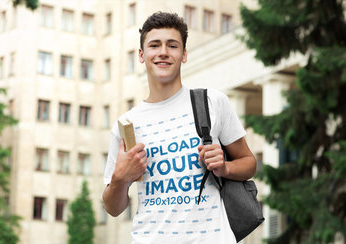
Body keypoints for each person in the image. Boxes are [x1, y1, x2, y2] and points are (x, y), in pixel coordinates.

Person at [102, 12, 256, 244]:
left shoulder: (212, 102)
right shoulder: (126, 125)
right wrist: (120, 179)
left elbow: (249, 163)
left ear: (183, 54)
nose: (163, 52)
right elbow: (113, 209)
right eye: (154, 45)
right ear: (142, 55)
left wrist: (224, 168)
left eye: (172, 45)